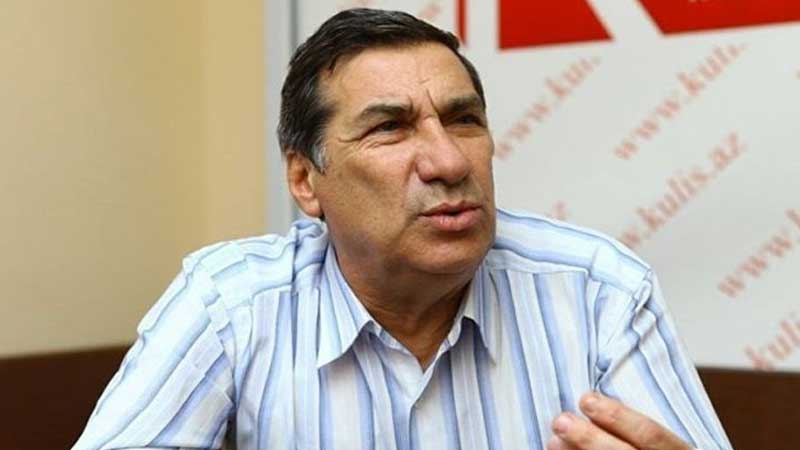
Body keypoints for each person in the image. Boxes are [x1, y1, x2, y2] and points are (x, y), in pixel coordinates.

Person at [73, 8, 731, 450]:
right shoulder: (231, 305)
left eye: (464, 120)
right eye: (390, 127)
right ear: (305, 180)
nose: (449, 162)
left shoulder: (599, 291)